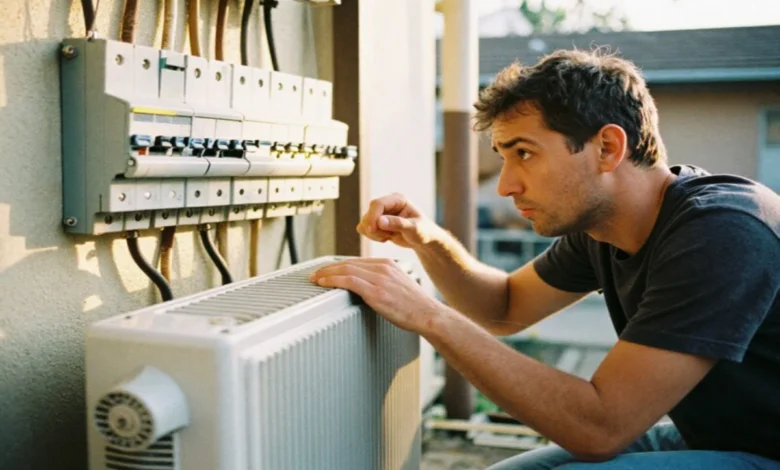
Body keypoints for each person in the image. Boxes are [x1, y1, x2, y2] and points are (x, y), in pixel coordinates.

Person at [309, 49, 780, 469]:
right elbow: (505, 308)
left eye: (525, 154)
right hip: (718, 438)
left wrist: (428, 316)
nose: (506, 185)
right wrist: (428, 241)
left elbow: (600, 427)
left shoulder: (723, 230)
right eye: (503, 157)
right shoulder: (602, 226)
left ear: (607, 148)